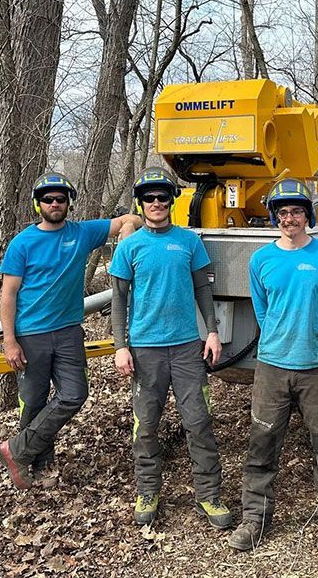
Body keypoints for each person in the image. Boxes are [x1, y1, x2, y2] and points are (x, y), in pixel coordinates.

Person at [0, 172, 143, 490]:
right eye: (48, 199)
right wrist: (10, 341)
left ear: (68, 203)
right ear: (39, 204)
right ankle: (38, 465)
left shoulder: (82, 233)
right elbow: (7, 293)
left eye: (60, 199)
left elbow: (127, 220)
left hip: (68, 332)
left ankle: (17, 450)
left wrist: (128, 229)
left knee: (74, 394)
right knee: (34, 402)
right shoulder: (23, 243)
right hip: (31, 334)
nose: (55, 203)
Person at [229, 179, 318, 552]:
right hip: (272, 367)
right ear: (275, 218)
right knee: (261, 443)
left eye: (296, 211)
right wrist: (280, 340)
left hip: (315, 366)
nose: (289, 218)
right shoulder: (261, 259)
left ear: (307, 216)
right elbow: (262, 310)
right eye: (282, 212)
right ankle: (255, 519)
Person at [108, 166, 232, 530]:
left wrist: (212, 332)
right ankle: (148, 491)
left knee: (198, 422)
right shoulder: (129, 246)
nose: (157, 203)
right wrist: (120, 346)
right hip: (145, 349)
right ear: (141, 203)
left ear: (171, 201)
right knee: (146, 425)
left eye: (163, 196)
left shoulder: (189, 241)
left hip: (185, 349)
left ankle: (209, 495)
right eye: (150, 198)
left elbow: (203, 289)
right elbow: (118, 299)